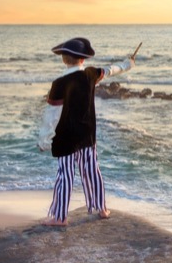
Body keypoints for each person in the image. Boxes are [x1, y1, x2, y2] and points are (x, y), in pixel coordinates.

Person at [37, 37, 135, 226]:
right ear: (83, 59)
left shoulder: (59, 83)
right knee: (92, 171)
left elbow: (52, 116)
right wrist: (128, 64)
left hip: (66, 137)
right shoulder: (91, 74)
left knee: (64, 175)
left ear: (64, 59)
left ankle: (59, 217)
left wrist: (44, 140)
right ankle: (101, 209)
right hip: (87, 133)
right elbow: (112, 70)